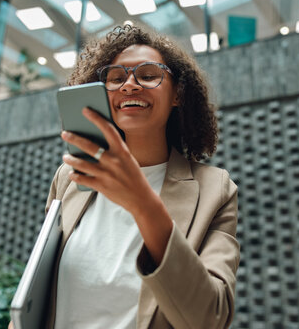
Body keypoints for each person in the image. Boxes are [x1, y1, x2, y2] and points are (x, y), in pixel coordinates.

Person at [13, 25, 239, 329]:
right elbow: (38, 288)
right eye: (115, 78)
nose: (129, 85)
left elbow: (209, 318)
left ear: (178, 94)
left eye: (148, 75)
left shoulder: (216, 190)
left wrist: (143, 204)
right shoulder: (71, 176)